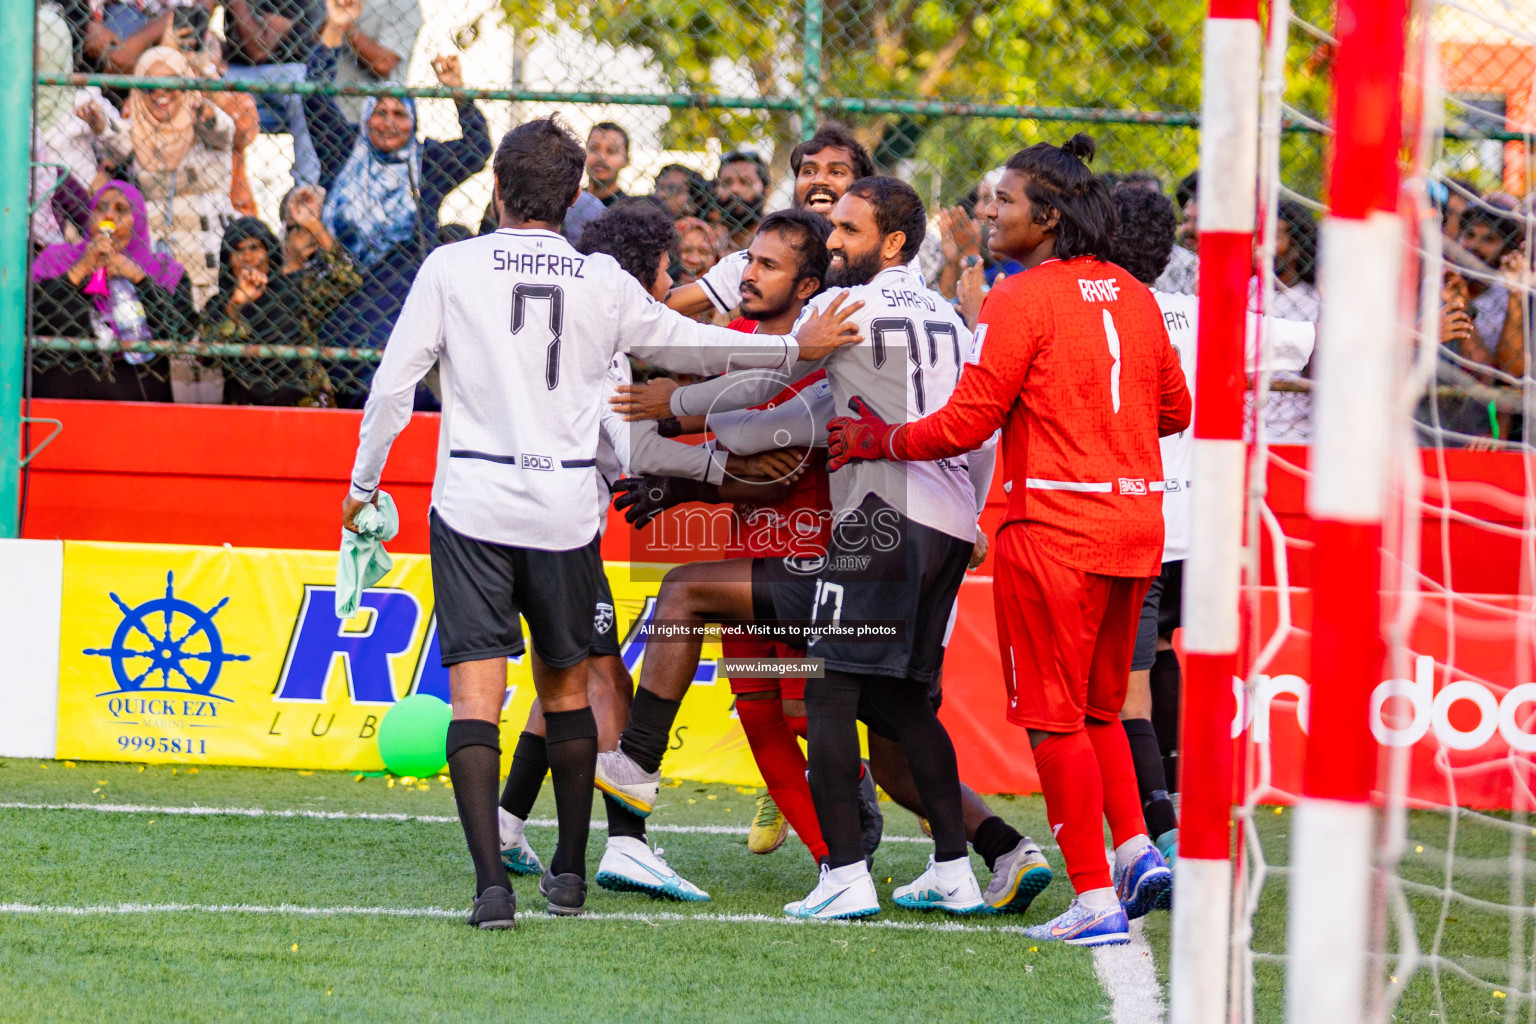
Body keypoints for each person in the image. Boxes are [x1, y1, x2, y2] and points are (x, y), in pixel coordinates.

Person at [340, 114, 863, 929]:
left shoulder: (450, 267)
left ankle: (490, 886)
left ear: (499, 188)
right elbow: (696, 347)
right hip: (563, 511)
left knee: (478, 694)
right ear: (577, 193)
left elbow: (391, 387)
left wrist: (365, 483)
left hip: (473, 502)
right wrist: (797, 350)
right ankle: (574, 872)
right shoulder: (603, 283)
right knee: (571, 683)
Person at [596, 177, 996, 922]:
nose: (834, 237)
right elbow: (982, 424)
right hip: (944, 524)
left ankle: (845, 872)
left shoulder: (840, 308)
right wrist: (972, 517)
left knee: (829, 694)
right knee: (901, 705)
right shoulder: (948, 316)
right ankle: (960, 867)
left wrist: (673, 409)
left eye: (847, 228)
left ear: (895, 242)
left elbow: (764, 401)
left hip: (875, 523)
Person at [825, 136, 1192, 946]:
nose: (990, 214)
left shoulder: (1023, 299)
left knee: (1055, 719)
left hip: (1054, 527)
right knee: (1102, 707)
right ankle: (1133, 852)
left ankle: (1094, 898)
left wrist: (879, 441)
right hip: (1137, 525)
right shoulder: (1132, 293)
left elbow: (967, 422)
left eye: (1006, 203)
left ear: (1049, 217)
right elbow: (1176, 409)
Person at [497, 198, 799, 901]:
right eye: (666, 274)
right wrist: (720, 467)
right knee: (607, 683)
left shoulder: (572, 323)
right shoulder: (608, 348)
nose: (671, 291)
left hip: (497, 519)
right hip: (556, 532)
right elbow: (634, 445)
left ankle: (509, 820)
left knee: (560, 680)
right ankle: (629, 844)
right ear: (644, 275)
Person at [306, 0, 490, 361]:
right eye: (380, 112)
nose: (389, 122)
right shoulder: (343, 148)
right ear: (365, 117)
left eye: (399, 113)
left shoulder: (427, 163)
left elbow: (478, 147)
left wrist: (456, 89)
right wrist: (335, 27)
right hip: (337, 291)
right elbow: (314, 93)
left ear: (414, 121)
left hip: (399, 300)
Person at [666, 122, 876, 320]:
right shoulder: (752, 262)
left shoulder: (884, 257)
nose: (819, 180)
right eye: (808, 171)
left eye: (836, 172)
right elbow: (662, 307)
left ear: (862, 186)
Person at [99, 46, 237, 309]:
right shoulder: (138, 130)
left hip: (208, 252)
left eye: (171, 85)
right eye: (150, 87)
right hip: (157, 262)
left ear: (185, 86)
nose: (161, 94)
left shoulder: (205, 124)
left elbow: (222, 130)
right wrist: (99, 126)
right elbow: (117, 142)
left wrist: (205, 116)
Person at [32, 180, 194, 402]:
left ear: (138, 220)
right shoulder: (56, 259)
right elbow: (29, 317)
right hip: (61, 400)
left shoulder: (164, 271)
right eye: (100, 208)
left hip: (137, 402)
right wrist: (79, 271)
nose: (108, 215)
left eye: (121, 209)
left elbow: (181, 332)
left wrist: (139, 279)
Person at [223, 0, 324, 186]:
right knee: (198, 79)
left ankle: (307, 185)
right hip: (237, 71)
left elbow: (260, 49)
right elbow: (201, 20)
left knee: (302, 92)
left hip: (284, 71)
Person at [329, 0, 422, 123]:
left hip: (375, 121)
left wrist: (344, 23)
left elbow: (384, 63)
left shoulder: (403, 4)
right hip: (324, 110)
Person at [711, 151, 770, 253]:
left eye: (745, 182)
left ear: (767, 190)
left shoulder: (780, 236)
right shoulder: (705, 238)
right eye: (726, 182)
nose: (734, 189)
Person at [585, 122, 630, 207]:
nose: (601, 157)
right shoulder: (567, 202)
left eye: (611, 151)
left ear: (626, 160)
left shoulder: (630, 210)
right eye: (594, 148)